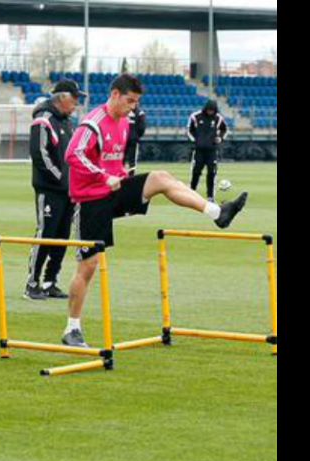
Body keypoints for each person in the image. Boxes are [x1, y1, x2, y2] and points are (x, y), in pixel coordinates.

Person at [62, 74, 247, 347]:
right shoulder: (93, 123)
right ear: (114, 94)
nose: (133, 107)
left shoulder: (125, 122)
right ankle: (71, 330)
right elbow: (72, 155)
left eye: (136, 102)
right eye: (129, 101)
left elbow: (113, 159)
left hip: (114, 189)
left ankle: (217, 213)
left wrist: (120, 173)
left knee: (161, 178)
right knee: (89, 266)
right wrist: (104, 176)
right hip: (91, 199)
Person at [24, 79, 85, 300]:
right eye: (75, 98)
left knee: (62, 236)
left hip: (69, 191)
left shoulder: (69, 123)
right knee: (45, 233)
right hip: (49, 189)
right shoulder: (43, 121)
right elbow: (40, 155)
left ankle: (50, 282)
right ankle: (32, 283)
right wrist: (60, 179)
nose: (77, 103)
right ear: (63, 97)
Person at [187, 99, 228, 201]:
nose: (210, 112)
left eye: (212, 110)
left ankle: (210, 196)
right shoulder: (195, 116)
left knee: (211, 173)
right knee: (196, 171)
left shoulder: (218, 118)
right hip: (199, 150)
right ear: (205, 109)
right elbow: (189, 130)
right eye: (209, 110)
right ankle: (192, 191)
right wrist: (195, 140)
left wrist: (220, 138)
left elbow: (225, 130)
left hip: (212, 151)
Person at [124, 102, 146, 176]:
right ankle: (131, 176)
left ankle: (119, 175)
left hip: (123, 139)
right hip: (133, 140)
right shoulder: (140, 113)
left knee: (121, 158)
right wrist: (137, 136)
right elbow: (142, 127)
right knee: (132, 160)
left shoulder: (124, 112)